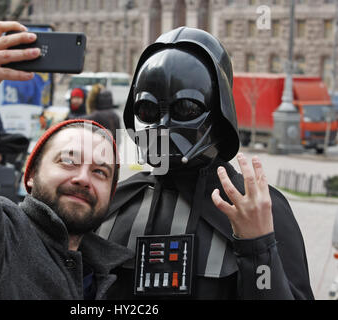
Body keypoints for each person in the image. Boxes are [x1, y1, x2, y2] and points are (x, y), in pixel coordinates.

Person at [96, 27, 314, 299]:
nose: (163, 126)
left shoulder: (259, 208)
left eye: (186, 108)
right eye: (148, 110)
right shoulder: (114, 203)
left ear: (220, 111)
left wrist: (259, 248)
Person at [0, 21, 133, 299]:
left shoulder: (114, 275)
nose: (83, 178)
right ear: (31, 173)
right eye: (68, 161)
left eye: (100, 172)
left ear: (111, 192)